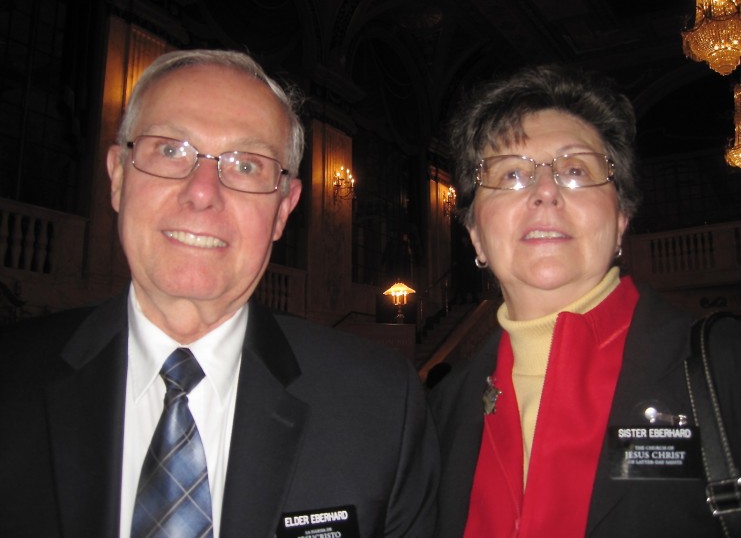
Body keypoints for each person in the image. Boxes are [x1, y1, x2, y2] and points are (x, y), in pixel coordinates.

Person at [0, 49, 438, 538]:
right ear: (119, 176)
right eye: (171, 150)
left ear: (283, 210)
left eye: (246, 165)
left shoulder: (380, 407)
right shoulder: (10, 380)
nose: (203, 191)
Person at [429, 64, 741, 537]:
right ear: (475, 233)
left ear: (620, 220)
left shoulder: (732, 369)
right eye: (512, 173)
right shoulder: (441, 412)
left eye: (575, 170)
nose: (545, 192)